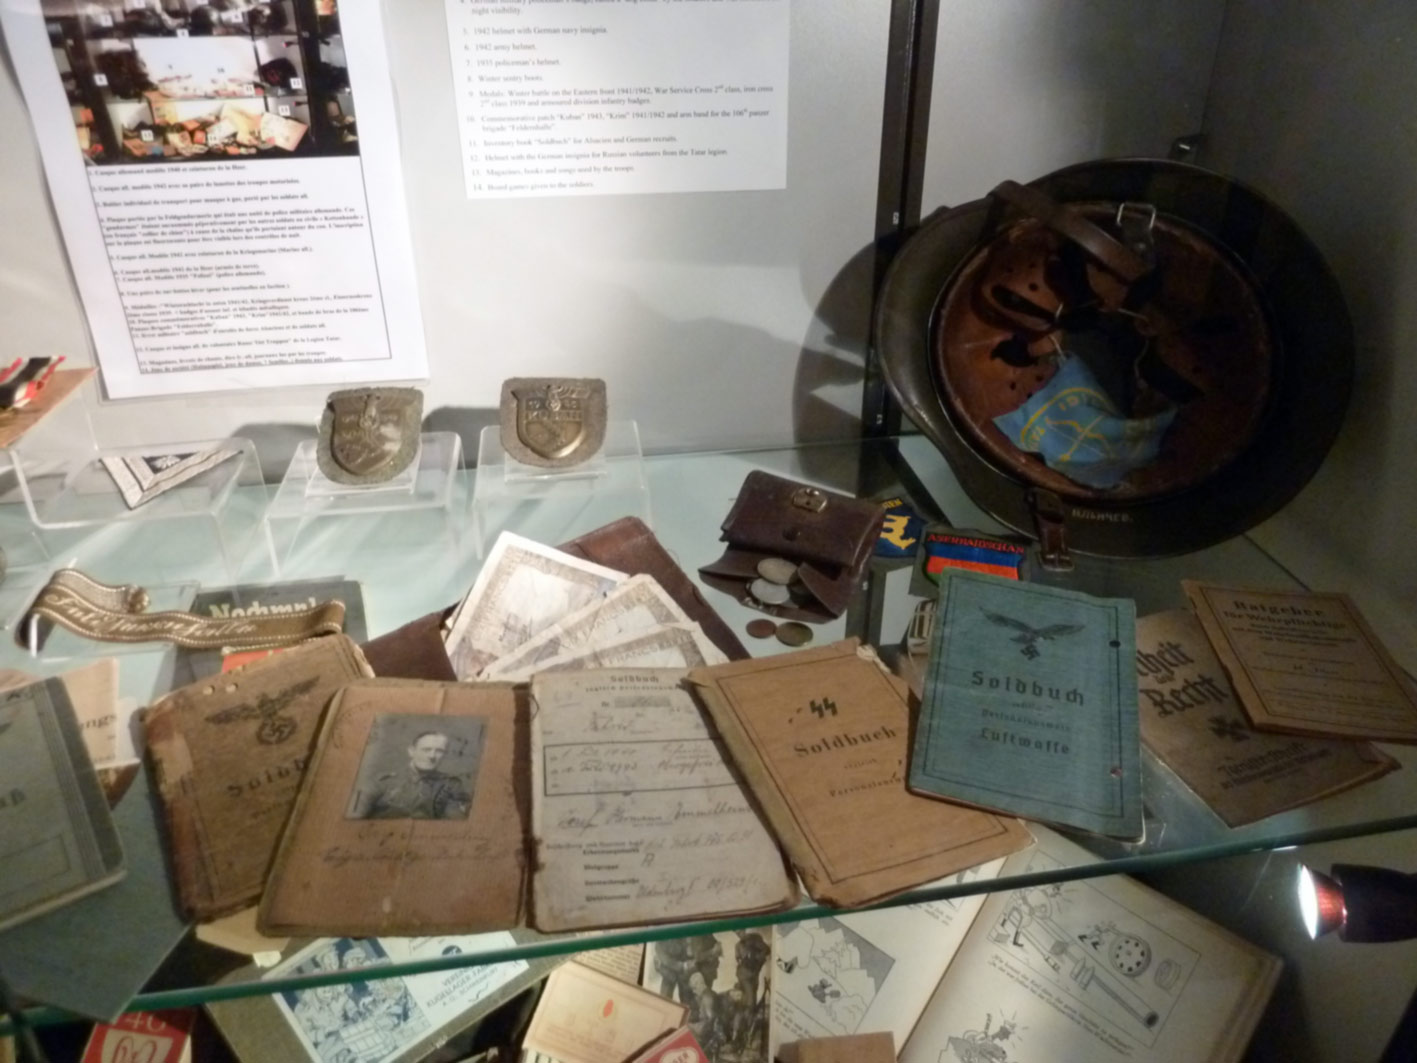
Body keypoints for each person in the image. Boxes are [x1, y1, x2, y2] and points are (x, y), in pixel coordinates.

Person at [349, 732, 471, 819]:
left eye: (439, 751)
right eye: (426, 749)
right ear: (411, 751)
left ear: (445, 754)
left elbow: (456, 821)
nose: (432, 756)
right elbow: (354, 817)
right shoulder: (382, 781)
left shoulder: (451, 784)